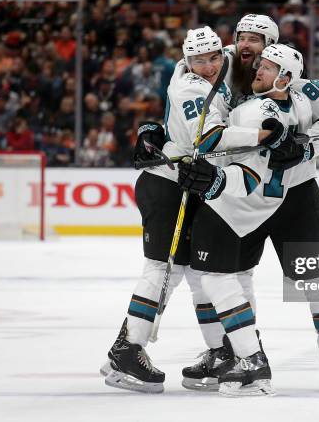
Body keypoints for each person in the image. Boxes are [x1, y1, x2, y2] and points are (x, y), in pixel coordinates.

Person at [179, 15, 319, 394]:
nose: (246, 46)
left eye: (256, 40)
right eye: (241, 37)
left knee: (314, 275)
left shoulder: (308, 90)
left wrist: (304, 145)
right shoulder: (222, 78)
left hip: (293, 193)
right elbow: (191, 102)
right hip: (247, 194)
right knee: (235, 274)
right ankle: (236, 352)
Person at [101, 26, 286, 394]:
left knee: (193, 272)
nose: (208, 66)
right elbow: (210, 138)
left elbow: (249, 54)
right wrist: (264, 137)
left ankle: (214, 351)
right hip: (166, 184)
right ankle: (127, 348)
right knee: (162, 268)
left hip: (182, 183)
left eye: (213, 58)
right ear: (186, 62)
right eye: (198, 61)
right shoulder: (191, 86)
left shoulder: (231, 59)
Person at [178, 43, 312, 397]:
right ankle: (235, 356)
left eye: (267, 68)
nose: (258, 71)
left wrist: (213, 179)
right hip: (258, 207)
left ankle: (251, 360)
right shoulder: (298, 105)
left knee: (216, 280)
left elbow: (244, 171)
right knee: (227, 280)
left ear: (284, 77)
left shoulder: (253, 112)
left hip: (231, 207)